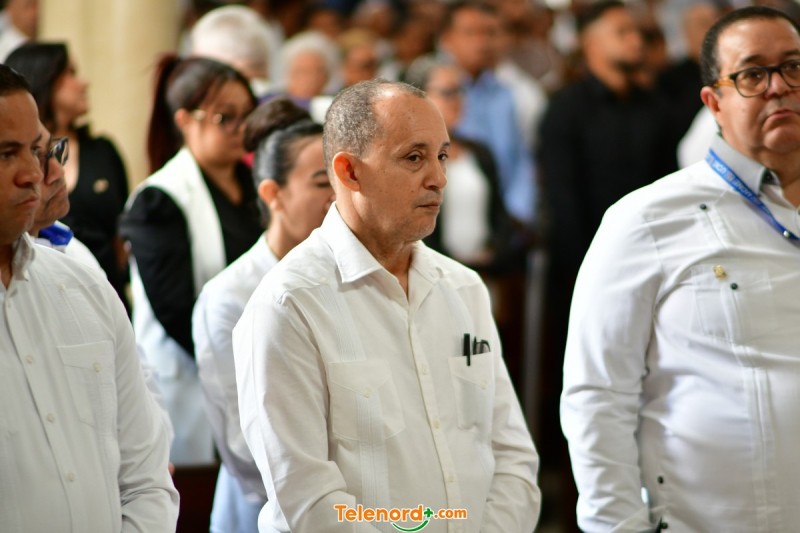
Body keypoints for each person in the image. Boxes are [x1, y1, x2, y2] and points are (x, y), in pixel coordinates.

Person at [234, 79, 541, 532]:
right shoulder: (289, 303)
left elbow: (512, 457)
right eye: (414, 158)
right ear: (349, 172)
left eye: (442, 156)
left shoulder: (463, 288)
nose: (438, 178)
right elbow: (306, 497)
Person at [561, 6, 800, 531]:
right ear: (713, 103)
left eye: (793, 67)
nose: (779, 86)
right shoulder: (646, 220)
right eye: (753, 74)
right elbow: (598, 396)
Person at [0, 63, 178, 532]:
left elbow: (146, 477)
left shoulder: (82, 285)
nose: (33, 174)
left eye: (36, 150)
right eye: (5, 154)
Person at [193, 98, 333, 533]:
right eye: (321, 183)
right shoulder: (229, 296)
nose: (337, 198)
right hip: (265, 510)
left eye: (344, 180)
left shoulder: (350, 277)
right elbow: (241, 444)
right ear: (273, 194)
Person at [120, 55, 262, 467]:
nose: (240, 128)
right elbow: (176, 310)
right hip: (192, 379)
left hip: (258, 368)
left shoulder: (258, 187)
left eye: (247, 115)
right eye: (225, 118)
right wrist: (244, 359)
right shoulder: (159, 199)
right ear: (184, 120)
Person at [6, 42, 131, 309]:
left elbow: (119, 238)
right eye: (71, 73)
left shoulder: (101, 150)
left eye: (53, 151)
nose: (55, 172)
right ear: (44, 79)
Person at [438, 0, 537, 226]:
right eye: (470, 33)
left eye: (490, 33)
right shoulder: (432, 89)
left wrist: (518, 213)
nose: (481, 42)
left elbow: (523, 158)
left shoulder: (514, 93)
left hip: (508, 218)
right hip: (449, 213)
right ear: (447, 39)